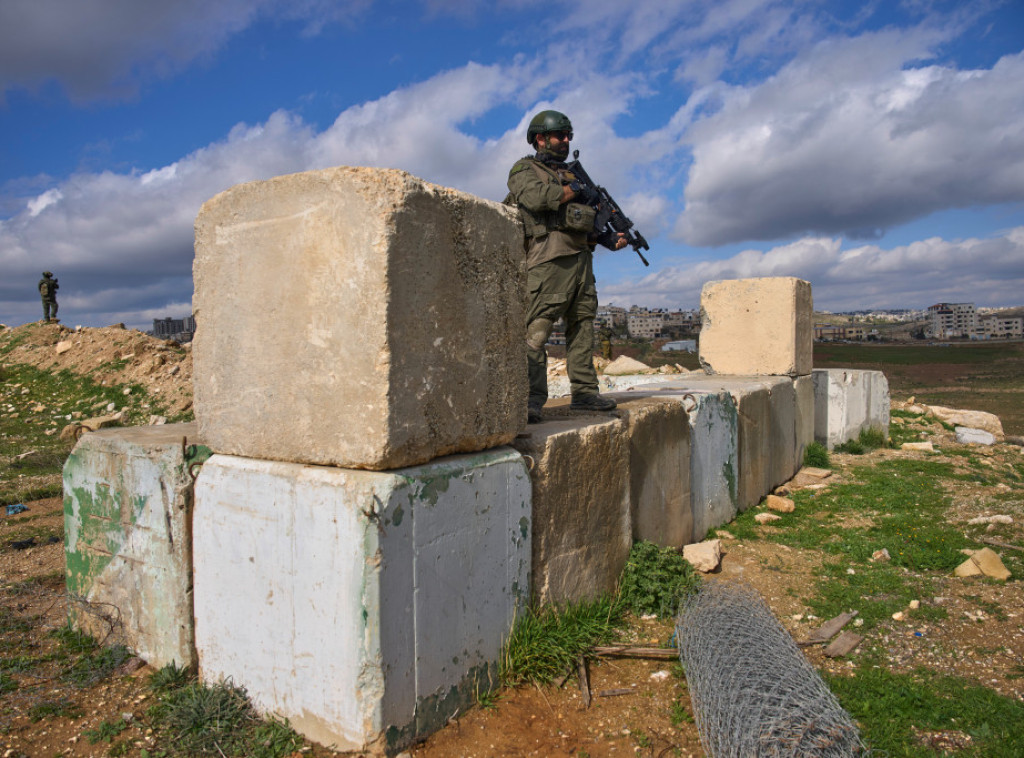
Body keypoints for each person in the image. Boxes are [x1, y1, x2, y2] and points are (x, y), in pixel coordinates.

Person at [507, 110, 627, 423]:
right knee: (537, 330)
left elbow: (582, 220)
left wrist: (608, 239)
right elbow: (535, 199)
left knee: (583, 327)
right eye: (559, 135)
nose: (565, 140)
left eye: (567, 135)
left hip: (581, 261)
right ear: (540, 138)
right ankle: (532, 400)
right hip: (548, 259)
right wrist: (575, 191)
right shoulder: (525, 169)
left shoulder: (574, 176)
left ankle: (585, 393)